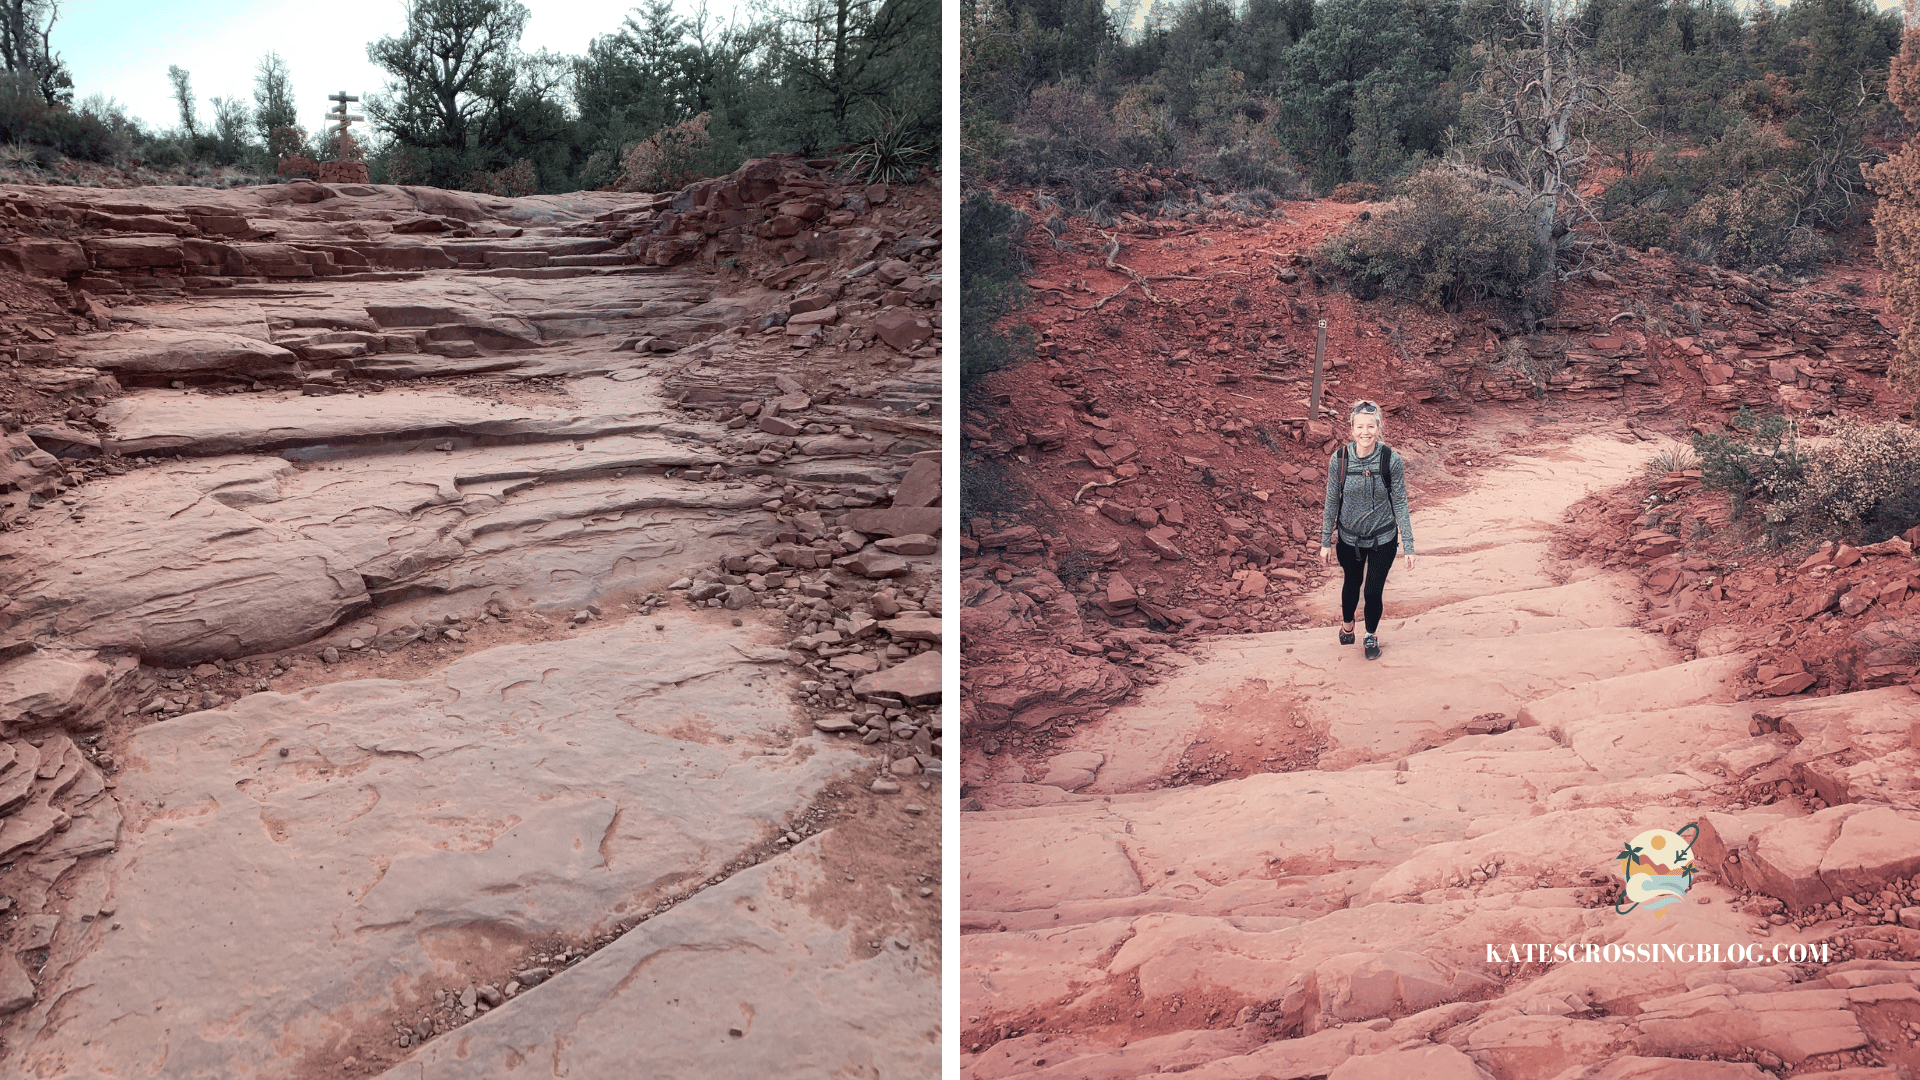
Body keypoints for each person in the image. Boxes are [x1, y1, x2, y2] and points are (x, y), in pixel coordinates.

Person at [1318, 400, 1415, 660]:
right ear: (1351, 428)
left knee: (1373, 590)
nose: (1365, 432)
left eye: (1370, 426)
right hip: (1349, 540)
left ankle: (1370, 635)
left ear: (1378, 427)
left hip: (1383, 538)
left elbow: (1401, 502)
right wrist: (1325, 540)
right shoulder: (1339, 459)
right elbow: (1331, 501)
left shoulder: (1390, 459)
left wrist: (1409, 544)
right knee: (1352, 583)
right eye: (1359, 426)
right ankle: (1348, 623)